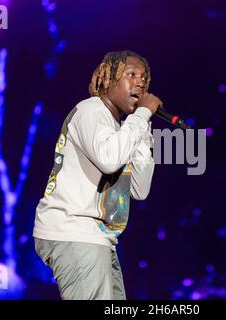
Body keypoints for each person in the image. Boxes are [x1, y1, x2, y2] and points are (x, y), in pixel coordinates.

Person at [33, 50, 161, 300]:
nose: (140, 82)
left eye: (144, 78)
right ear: (108, 80)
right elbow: (109, 159)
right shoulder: (91, 110)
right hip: (73, 229)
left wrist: (143, 129)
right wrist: (142, 115)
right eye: (131, 74)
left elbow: (139, 189)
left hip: (98, 238)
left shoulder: (121, 128)